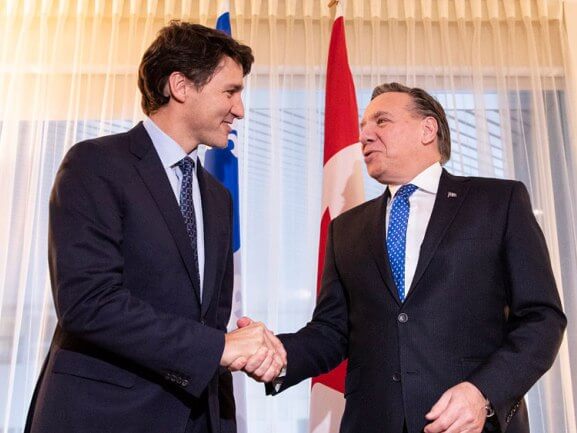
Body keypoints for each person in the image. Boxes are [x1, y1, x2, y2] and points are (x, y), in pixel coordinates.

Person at [243, 82, 567, 433]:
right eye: (362, 128)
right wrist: (278, 355)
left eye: (381, 121)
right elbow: (331, 332)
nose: (365, 135)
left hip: (471, 424)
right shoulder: (346, 229)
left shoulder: (498, 202)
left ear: (427, 129)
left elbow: (541, 318)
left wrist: (483, 392)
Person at [25, 21, 284, 433]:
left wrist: (244, 346)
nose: (240, 109)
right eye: (230, 92)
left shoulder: (218, 197)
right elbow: (88, 303)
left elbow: (209, 321)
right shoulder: (95, 165)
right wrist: (218, 346)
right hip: (105, 416)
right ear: (181, 86)